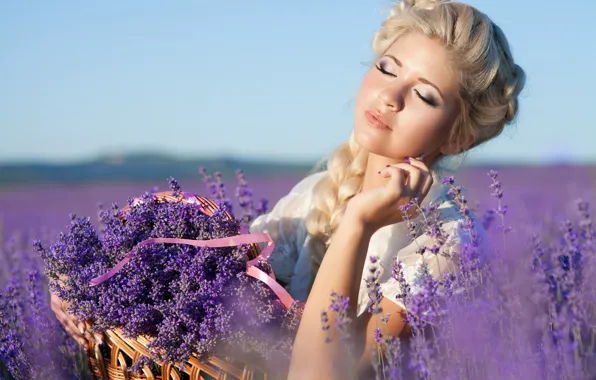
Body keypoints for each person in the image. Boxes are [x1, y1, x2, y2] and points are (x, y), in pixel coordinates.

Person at [51, 0, 526, 377]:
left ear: (459, 134)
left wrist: (359, 223)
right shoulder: (317, 190)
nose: (389, 96)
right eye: (387, 68)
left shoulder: (446, 245)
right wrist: (87, 285)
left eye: (424, 95)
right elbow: (214, 283)